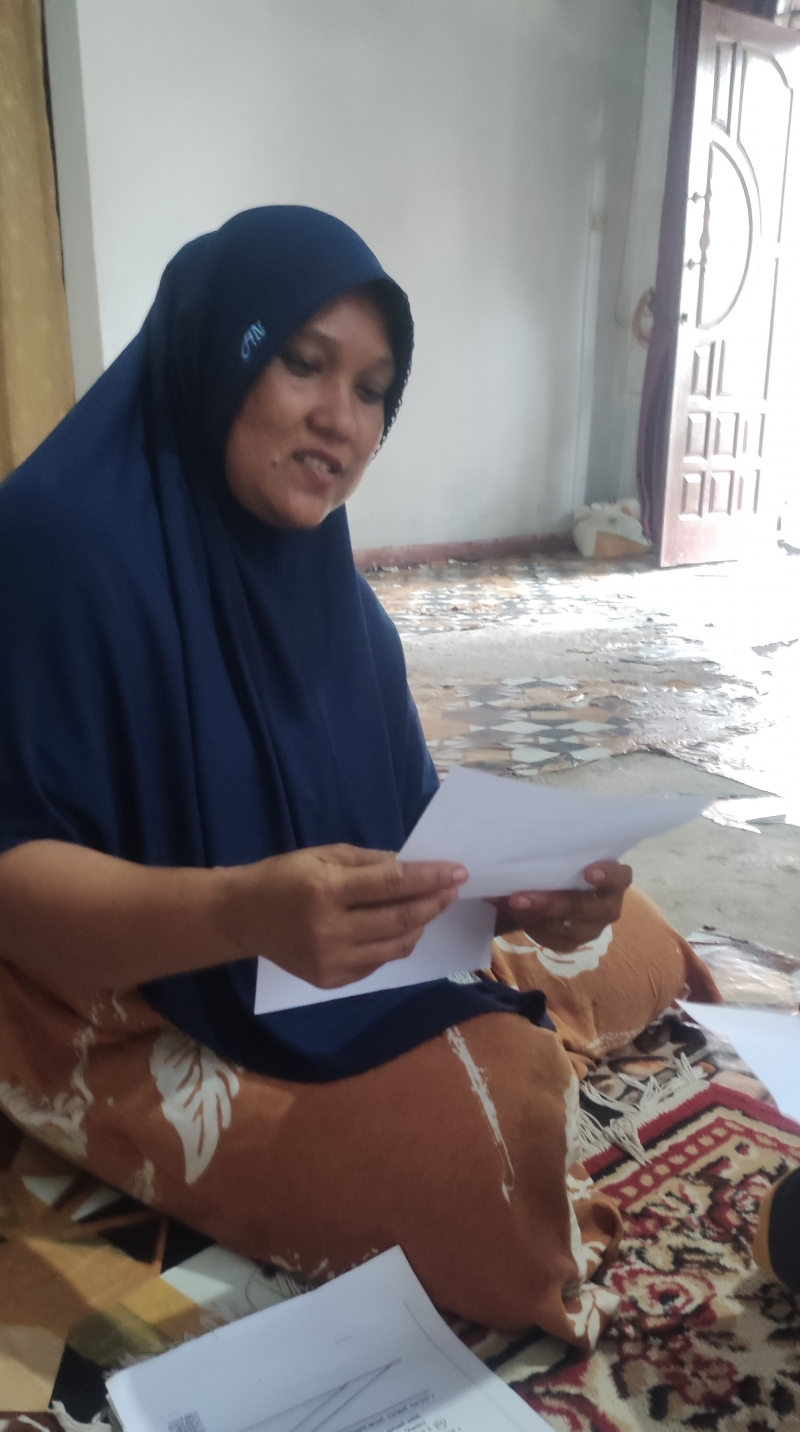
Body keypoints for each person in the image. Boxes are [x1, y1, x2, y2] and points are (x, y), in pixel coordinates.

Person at [0, 207, 717, 1346]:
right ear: (221, 351)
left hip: (316, 963)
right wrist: (243, 914)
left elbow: (405, 832)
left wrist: (516, 894)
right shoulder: (57, 546)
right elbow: (14, 880)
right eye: (304, 363)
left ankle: (514, 1027)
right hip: (129, 991)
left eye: (374, 390)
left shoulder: (331, 595)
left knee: (641, 945)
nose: (342, 418)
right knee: (488, 1156)